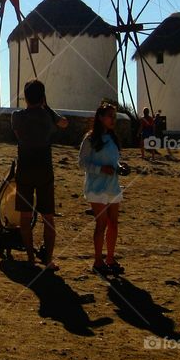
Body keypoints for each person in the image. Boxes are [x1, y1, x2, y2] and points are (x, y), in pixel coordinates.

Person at [12, 79, 68, 270]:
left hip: (25, 168)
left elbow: (19, 136)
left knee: (25, 217)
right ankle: (48, 259)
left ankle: (30, 257)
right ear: (42, 97)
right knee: (48, 217)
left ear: (25, 97)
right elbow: (64, 124)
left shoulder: (17, 117)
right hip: (44, 169)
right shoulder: (48, 117)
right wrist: (48, 108)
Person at [79, 102, 125, 277]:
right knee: (102, 223)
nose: (113, 120)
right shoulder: (90, 139)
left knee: (113, 223)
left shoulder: (112, 138)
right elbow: (82, 163)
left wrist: (120, 167)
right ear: (100, 117)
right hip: (96, 186)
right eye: (110, 116)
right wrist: (100, 169)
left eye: (114, 116)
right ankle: (98, 260)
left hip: (112, 184)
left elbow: (114, 160)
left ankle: (110, 258)